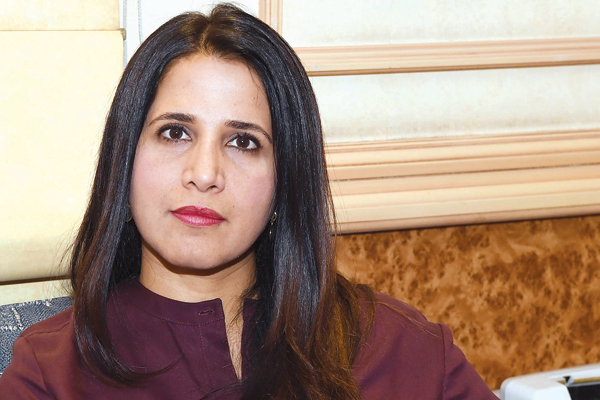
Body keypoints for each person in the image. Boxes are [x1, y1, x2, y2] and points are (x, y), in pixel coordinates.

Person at [0, 4, 497, 399]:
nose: (204, 174)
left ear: (285, 180)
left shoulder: (401, 348)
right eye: (175, 133)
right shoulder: (51, 374)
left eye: (243, 142)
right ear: (125, 159)